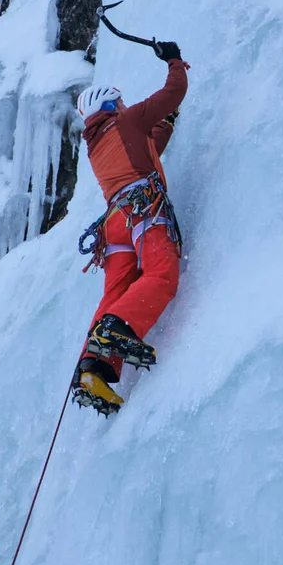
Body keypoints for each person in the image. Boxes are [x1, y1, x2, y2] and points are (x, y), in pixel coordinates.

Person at [72, 41, 189, 414]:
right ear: (112, 106)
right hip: (142, 212)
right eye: (120, 102)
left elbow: (144, 148)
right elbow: (174, 92)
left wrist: (164, 126)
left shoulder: (95, 146)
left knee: (115, 292)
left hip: (115, 227)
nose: (124, 105)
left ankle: (92, 369)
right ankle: (119, 326)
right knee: (161, 274)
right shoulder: (128, 120)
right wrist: (174, 60)